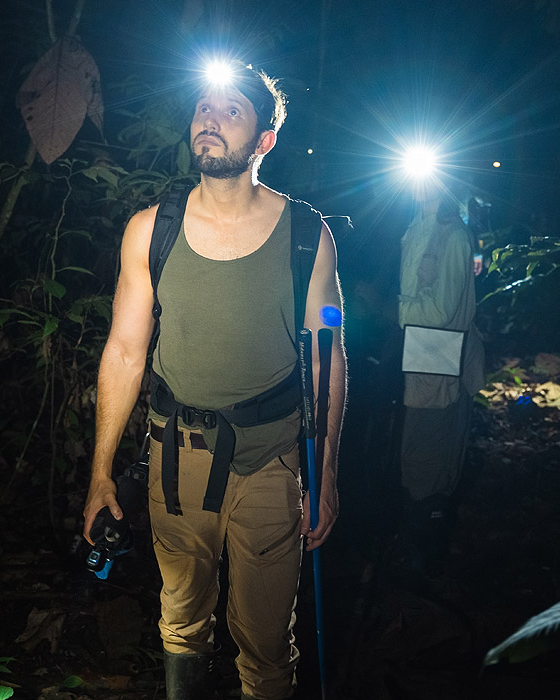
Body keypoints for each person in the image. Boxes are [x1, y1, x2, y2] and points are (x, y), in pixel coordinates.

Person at [82, 63, 346, 700]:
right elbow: (123, 351)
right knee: (181, 616)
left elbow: (328, 356)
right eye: (204, 106)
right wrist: (100, 474)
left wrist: (328, 469)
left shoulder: (307, 233)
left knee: (264, 637)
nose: (210, 117)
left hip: (273, 459)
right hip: (178, 456)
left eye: (232, 111)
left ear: (264, 141)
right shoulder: (151, 230)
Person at [397, 183, 484, 564]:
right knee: (415, 455)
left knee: (429, 460)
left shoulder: (454, 236)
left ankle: (426, 557)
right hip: (421, 362)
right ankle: (416, 552)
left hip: (440, 368)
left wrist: (390, 309)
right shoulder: (416, 227)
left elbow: (440, 312)